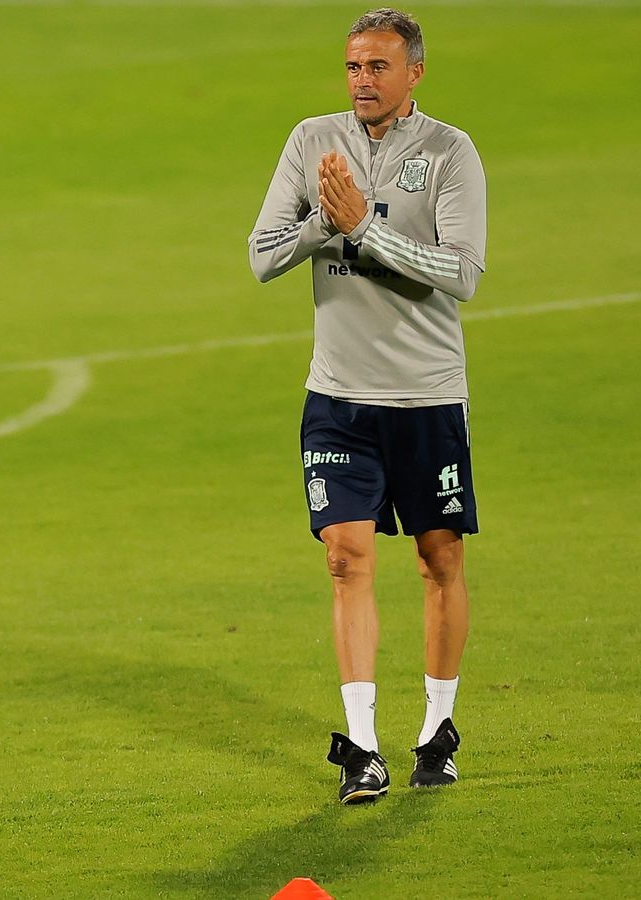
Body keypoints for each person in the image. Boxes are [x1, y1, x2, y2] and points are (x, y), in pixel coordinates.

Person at [247, 7, 487, 805]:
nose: (362, 82)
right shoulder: (311, 141)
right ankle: (361, 748)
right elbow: (261, 256)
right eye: (353, 67)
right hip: (338, 396)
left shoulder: (451, 153)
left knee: (438, 557)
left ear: (415, 73)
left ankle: (438, 732)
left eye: (378, 67)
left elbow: (460, 274)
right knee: (346, 556)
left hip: (425, 397)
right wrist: (327, 220)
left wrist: (367, 229)